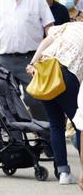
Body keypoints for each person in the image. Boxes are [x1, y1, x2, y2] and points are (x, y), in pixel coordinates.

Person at [28, 22, 83, 184]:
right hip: (67, 73)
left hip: (44, 70)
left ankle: (63, 172)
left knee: (56, 124)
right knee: (79, 123)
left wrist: (32, 63)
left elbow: (46, 41)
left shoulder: (69, 26)